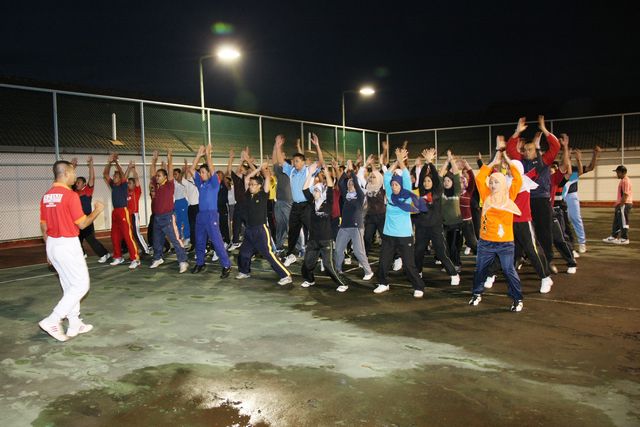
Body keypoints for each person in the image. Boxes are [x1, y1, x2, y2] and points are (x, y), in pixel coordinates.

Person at [38, 160, 104, 341]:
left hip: (53, 244)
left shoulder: (46, 196)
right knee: (81, 285)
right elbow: (82, 223)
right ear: (66, 173)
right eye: (73, 172)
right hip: (67, 244)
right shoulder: (70, 195)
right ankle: (53, 319)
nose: (75, 176)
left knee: (69, 285)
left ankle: (74, 322)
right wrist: (97, 210)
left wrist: (48, 250)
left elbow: (43, 226)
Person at [469, 139, 524, 312]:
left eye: (496, 182)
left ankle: (517, 299)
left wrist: (507, 159)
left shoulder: (510, 196)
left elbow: (518, 179)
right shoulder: (486, 196)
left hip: (505, 243)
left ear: (503, 184)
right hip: (486, 242)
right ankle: (476, 293)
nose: (492, 185)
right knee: (480, 270)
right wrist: (492, 163)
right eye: (491, 182)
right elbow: (480, 178)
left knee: (508, 271)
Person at [507, 116, 560, 270]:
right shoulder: (521, 162)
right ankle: (519, 257)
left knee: (544, 232)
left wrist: (544, 129)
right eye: (524, 150)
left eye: (529, 149)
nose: (526, 152)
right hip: (525, 201)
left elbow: (555, 146)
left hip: (541, 201)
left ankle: (547, 260)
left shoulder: (544, 160)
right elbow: (510, 149)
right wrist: (517, 131)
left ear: (536, 150)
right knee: (521, 231)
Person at [374, 148, 426, 298]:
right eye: (393, 185)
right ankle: (383, 283)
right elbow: (387, 175)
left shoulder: (407, 194)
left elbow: (406, 177)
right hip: (389, 234)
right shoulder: (390, 194)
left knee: (409, 265)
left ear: (402, 185)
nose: (394, 187)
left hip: (404, 235)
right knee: (384, 262)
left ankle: (419, 287)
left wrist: (401, 162)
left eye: (397, 185)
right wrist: (396, 161)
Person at [236, 160, 292, 285]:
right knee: (244, 253)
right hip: (249, 230)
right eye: (250, 185)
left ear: (259, 186)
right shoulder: (247, 195)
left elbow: (267, 177)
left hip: (260, 230)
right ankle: (244, 271)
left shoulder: (263, 195)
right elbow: (247, 178)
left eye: (253, 185)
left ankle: (286, 275)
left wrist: (263, 168)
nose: (250, 186)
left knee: (268, 254)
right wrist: (257, 169)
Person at [414, 148, 460, 285]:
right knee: (418, 251)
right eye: (425, 181)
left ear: (433, 182)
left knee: (441, 253)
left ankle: (453, 274)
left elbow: (436, 177)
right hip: (422, 227)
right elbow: (421, 178)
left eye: (429, 181)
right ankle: (418, 272)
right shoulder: (421, 191)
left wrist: (430, 163)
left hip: (435, 227)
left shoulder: (438, 191)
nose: (426, 183)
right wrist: (426, 164)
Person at [299, 162, 349, 289]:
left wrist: (326, 172)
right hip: (313, 240)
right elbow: (304, 189)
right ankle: (310, 280)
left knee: (328, 265)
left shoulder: (328, 202)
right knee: (307, 264)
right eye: (314, 190)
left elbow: (330, 187)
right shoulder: (311, 202)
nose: (314, 192)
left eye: (316, 190)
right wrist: (310, 173)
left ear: (321, 192)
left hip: (326, 239)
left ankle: (343, 284)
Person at [280, 133, 325, 267]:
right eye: (294, 161)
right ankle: (290, 254)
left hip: (307, 206)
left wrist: (317, 146)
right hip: (295, 206)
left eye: (297, 161)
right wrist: (277, 146)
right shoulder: (292, 171)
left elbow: (320, 161)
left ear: (303, 162)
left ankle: (322, 255)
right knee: (292, 231)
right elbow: (281, 161)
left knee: (313, 230)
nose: (294, 163)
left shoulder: (308, 170)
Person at [189, 145, 232, 277]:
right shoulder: (200, 183)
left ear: (208, 174)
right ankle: (200, 263)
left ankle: (226, 265)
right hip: (201, 215)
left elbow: (212, 169)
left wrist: (208, 155)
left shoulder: (214, 183)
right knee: (199, 241)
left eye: (203, 172)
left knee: (217, 241)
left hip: (211, 215)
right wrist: (198, 154)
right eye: (200, 172)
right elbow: (191, 170)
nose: (201, 174)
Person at [334, 159, 375, 288]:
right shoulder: (346, 195)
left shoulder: (360, 196)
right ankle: (338, 269)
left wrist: (352, 171)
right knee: (338, 250)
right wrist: (345, 171)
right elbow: (341, 182)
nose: (350, 184)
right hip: (344, 227)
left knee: (358, 251)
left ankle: (368, 271)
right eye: (349, 183)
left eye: (352, 183)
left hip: (356, 227)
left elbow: (356, 183)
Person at [149, 150, 189, 273]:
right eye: (157, 176)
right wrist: (154, 160)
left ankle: (183, 261)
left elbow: (170, 171)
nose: (157, 177)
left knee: (175, 240)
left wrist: (169, 157)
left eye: (159, 175)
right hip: (157, 217)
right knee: (157, 240)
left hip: (167, 217)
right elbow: (152, 173)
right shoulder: (156, 186)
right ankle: (158, 258)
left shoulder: (169, 185)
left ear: (165, 177)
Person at [103, 153, 140, 269]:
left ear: (120, 178)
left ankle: (135, 258)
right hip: (115, 212)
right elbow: (105, 174)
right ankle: (118, 257)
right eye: (114, 176)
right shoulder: (113, 186)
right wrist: (109, 162)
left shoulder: (123, 185)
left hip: (123, 211)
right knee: (114, 236)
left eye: (116, 176)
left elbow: (123, 175)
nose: (113, 177)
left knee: (128, 236)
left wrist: (116, 162)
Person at [72, 156, 110, 263]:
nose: (77, 183)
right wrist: (72, 167)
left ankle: (105, 254)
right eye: (76, 182)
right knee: (76, 239)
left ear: (84, 184)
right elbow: (68, 180)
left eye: (79, 182)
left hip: (87, 219)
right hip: (78, 220)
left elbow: (92, 178)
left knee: (91, 240)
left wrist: (91, 164)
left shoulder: (87, 190)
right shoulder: (74, 192)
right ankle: (82, 254)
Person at [564, 145, 601, 253]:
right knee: (562, 222)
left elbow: (590, 167)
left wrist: (595, 155)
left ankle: (581, 243)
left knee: (576, 219)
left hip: (571, 196)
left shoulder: (575, 169)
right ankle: (566, 244)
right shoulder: (558, 168)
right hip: (560, 197)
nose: (568, 154)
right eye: (567, 152)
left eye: (570, 153)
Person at [272, 135, 294, 254]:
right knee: (280, 225)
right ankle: (279, 246)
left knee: (291, 225)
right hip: (279, 201)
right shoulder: (280, 172)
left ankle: (300, 247)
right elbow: (275, 161)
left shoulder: (290, 170)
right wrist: (275, 146)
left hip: (288, 201)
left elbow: (280, 160)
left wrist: (278, 146)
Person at [603, 165, 633, 245]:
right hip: (622, 204)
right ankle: (613, 237)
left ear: (623, 172)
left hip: (625, 204)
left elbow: (625, 194)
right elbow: (622, 194)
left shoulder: (625, 181)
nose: (617, 174)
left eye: (618, 172)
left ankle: (624, 239)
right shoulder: (623, 180)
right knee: (617, 221)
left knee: (623, 221)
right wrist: (617, 203)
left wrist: (621, 205)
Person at [126, 161, 150, 255]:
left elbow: (136, 179)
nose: (128, 185)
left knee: (136, 233)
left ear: (134, 184)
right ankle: (137, 250)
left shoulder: (136, 191)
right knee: (131, 234)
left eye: (130, 183)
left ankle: (146, 250)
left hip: (134, 215)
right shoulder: (126, 192)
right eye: (128, 183)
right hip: (127, 216)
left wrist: (133, 169)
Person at [182, 158, 200, 253]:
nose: (189, 172)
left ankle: (202, 244)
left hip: (198, 207)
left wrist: (190, 167)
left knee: (199, 227)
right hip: (191, 207)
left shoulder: (198, 181)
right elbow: (182, 179)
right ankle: (194, 244)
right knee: (192, 227)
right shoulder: (188, 182)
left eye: (190, 171)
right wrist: (185, 168)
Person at [172, 167, 190, 245]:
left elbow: (183, 176)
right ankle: (179, 237)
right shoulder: (173, 182)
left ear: (179, 174)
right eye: (173, 174)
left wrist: (183, 170)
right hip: (176, 203)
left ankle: (187, 237)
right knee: (178, 221)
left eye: (176, 174)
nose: (174, 175)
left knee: (185, 220)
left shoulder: (182, 181)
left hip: (183, 201)